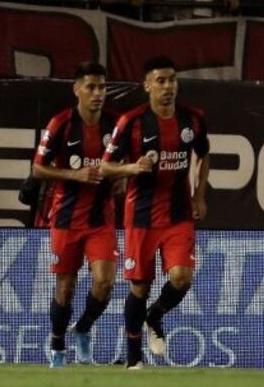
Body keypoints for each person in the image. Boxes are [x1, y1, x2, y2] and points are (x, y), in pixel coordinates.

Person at [101, 55, 210, 370]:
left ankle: (156, 314)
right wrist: (132, 167)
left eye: (172, 80)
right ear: (147, 85)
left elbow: (204, 155)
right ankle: (134, 357)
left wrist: (200, 193)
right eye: (160, 81)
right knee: (140, 286)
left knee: (182, 277)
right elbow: (106, 166)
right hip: (142, 215)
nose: (168, 87)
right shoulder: (131, 122)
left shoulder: (193, 119)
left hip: (178, 213)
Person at [33, 61, 119, 368]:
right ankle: (57, 345)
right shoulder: (61, 124)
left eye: (102, 87)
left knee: (104, 282)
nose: (98, 93)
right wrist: (75, 175)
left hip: (101, 219)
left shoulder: (115, 125)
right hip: (66, 217)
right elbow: (38, 168)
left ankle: (83, 328)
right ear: (77, 89)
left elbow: (124, 163)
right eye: (91, 87)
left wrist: (121, 178)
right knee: (66, 288)